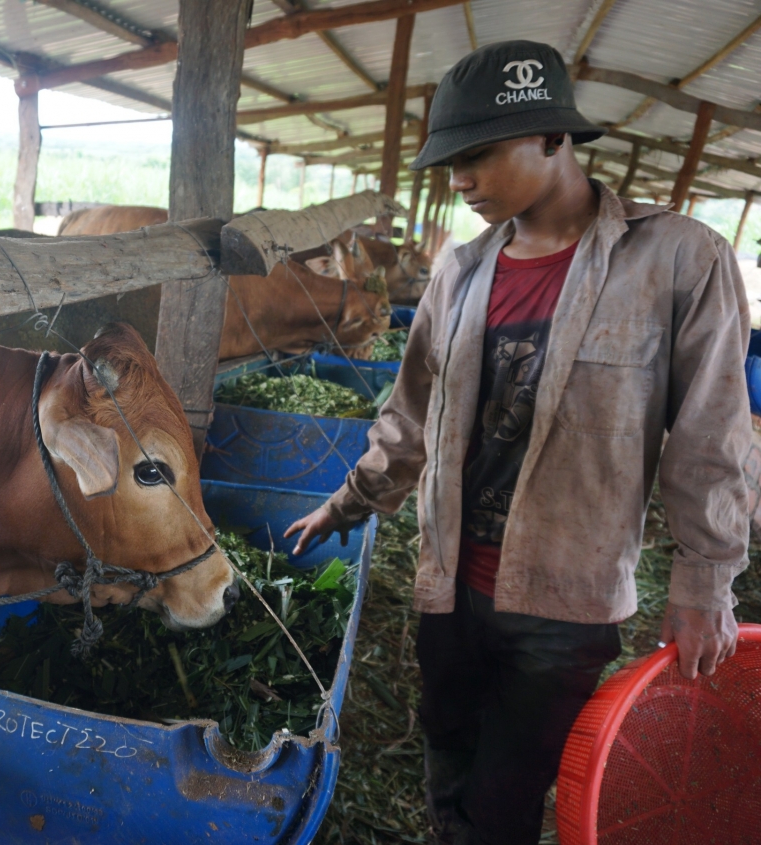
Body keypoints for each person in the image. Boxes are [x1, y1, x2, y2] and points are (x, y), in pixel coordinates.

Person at [286, 40, 751, 845]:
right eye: (450, 161)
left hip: (565, 598)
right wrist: (351, 499)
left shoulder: (678, 259)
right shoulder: (459, 271)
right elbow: (410, 410)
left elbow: (713, 429)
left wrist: (707, 578)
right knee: (445, 748)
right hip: (448, 581)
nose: (458, 179)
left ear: (554, 138)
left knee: (507, 795)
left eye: (477, 156)